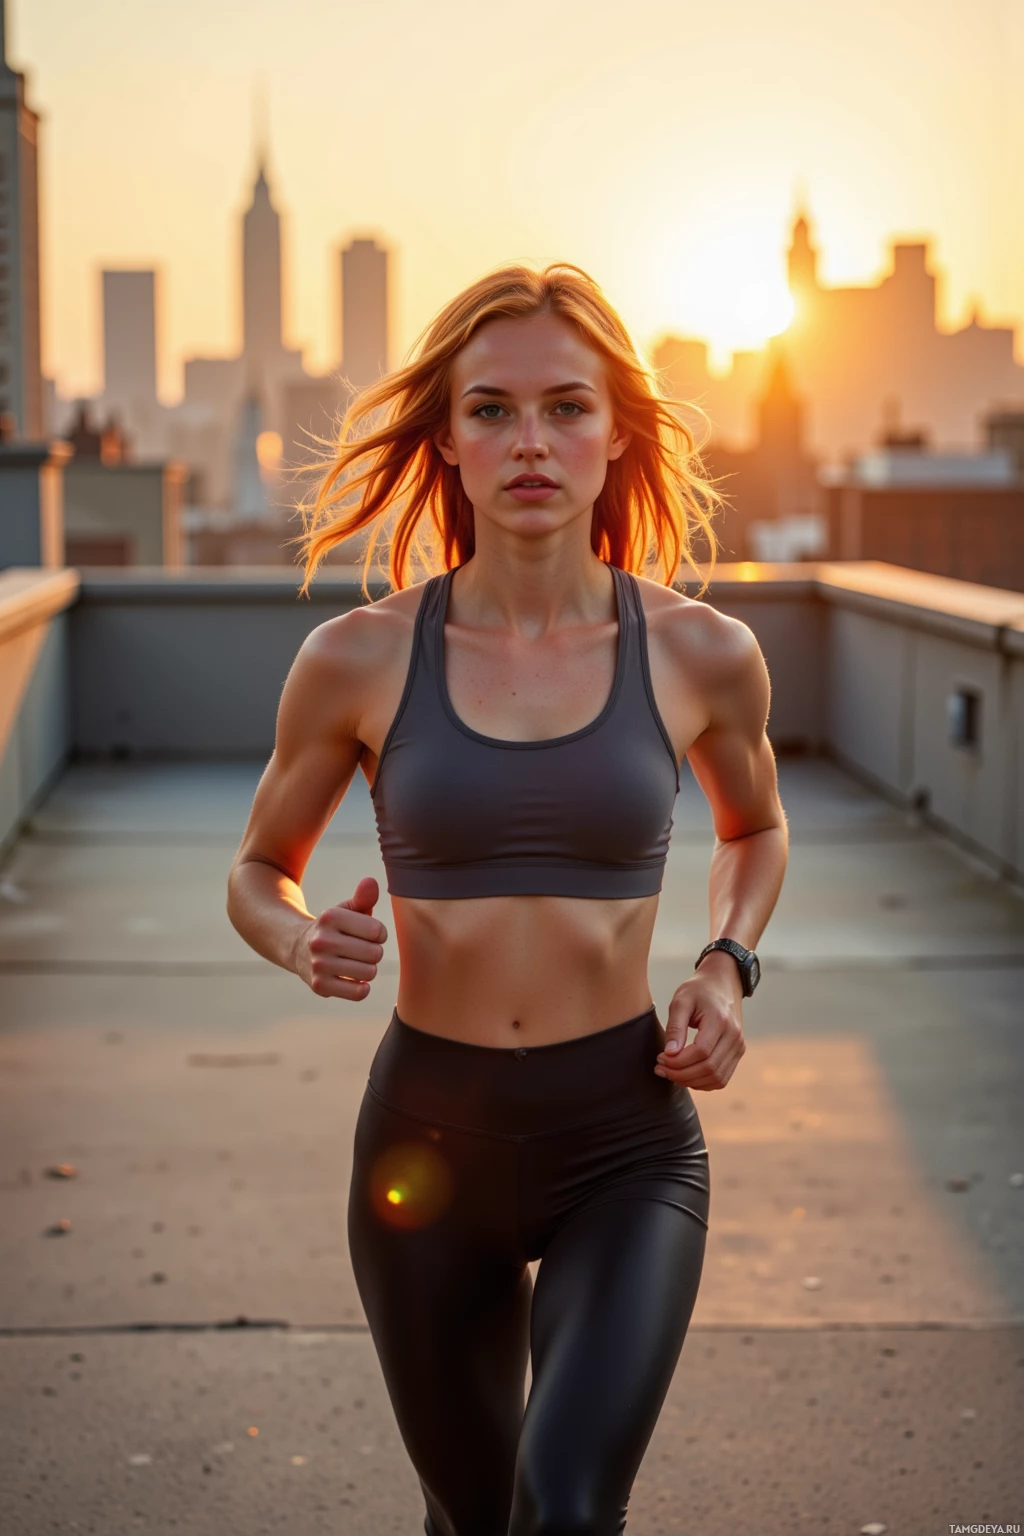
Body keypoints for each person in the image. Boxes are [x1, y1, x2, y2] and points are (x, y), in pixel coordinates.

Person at [227, 262, 789, 1536]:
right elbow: (256, 873)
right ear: (447, 438)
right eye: (490, 409)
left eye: (565, 408)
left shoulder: (702, 650)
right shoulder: (357, 657)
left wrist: (722, 966)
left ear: (617, 431)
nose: (529, 442)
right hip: (426, 1145)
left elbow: (753, 830)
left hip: (624, 1140)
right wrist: (300, 937)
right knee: (472, 1515)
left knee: (568, 1508)